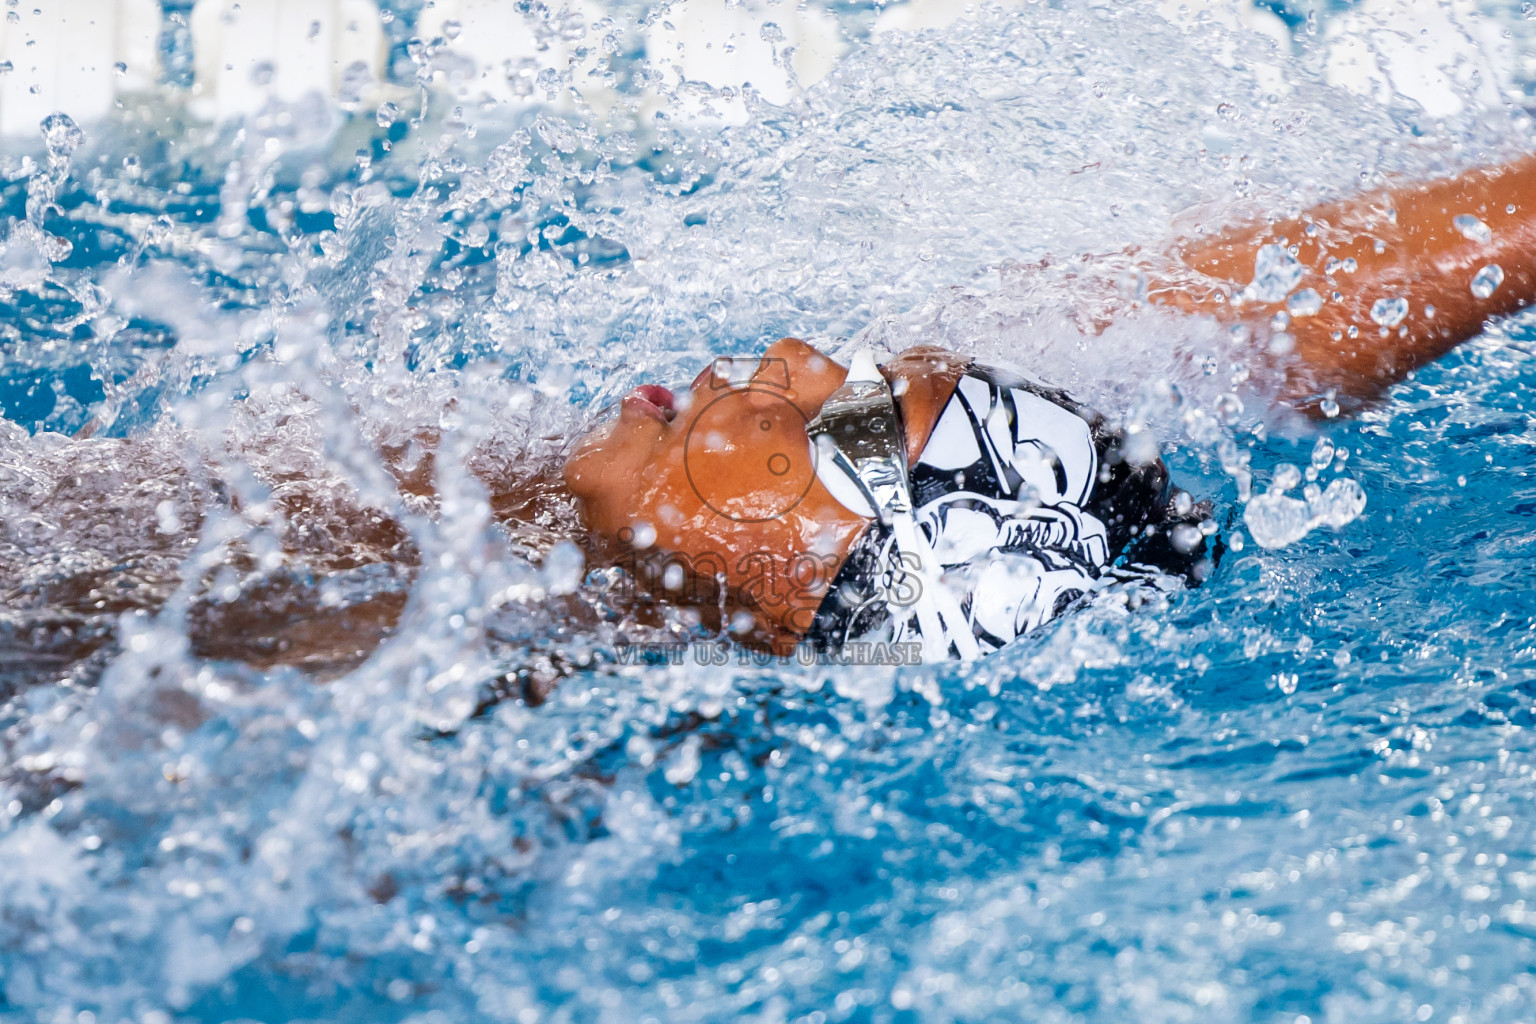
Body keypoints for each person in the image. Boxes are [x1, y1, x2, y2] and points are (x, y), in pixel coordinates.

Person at [9, 154, 1536, 679]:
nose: (799, 348)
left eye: (846, 413)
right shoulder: (546, 512)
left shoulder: (443, 653)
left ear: (819, 577)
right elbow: (1232, 310)